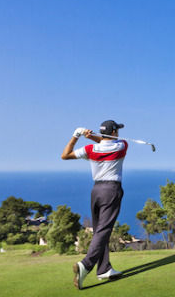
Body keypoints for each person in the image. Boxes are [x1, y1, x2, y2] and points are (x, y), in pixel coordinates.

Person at [61, 120, 128, 290]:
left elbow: (65, 155)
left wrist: (77, 135)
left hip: (96, 191)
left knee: (99, 230)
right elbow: (106, 142)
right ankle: (85, 265)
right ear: (113, 133)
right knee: (104, 230)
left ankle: (104, 269)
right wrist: (94, 137)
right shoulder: (122, 146)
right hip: (112, 190)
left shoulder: (90, 150)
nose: (119, 134)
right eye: (117, 131)